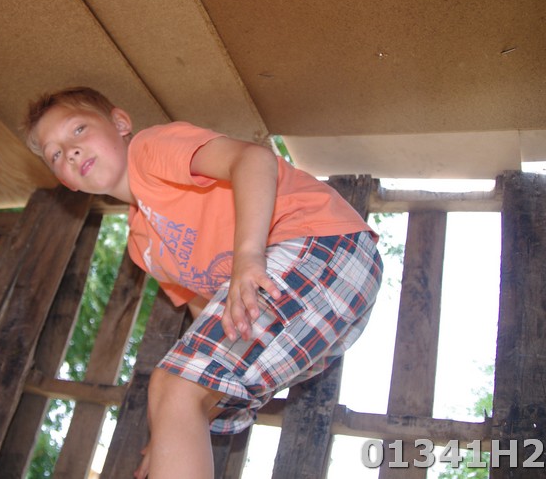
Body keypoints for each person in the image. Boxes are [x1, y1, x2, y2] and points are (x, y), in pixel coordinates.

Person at [22, 87, 383, 479]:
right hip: (320, 314)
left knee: (173, 387)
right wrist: (172, 426)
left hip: (322, 245)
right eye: (55, 154)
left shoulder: (149, 150)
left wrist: (248, 255)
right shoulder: (142, 244)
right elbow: (204, 308)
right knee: (177, 396)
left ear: (120, 123)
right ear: (67, 183)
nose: (70, 151)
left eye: (78, 130)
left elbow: (253, 159)